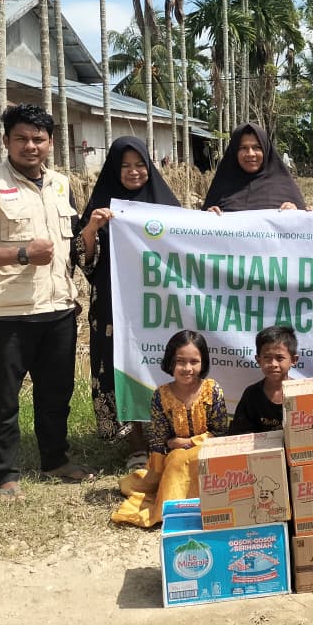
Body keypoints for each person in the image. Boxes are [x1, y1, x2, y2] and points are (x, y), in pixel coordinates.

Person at [0, 104, 94, 502]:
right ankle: (5, 475)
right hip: (6, 314)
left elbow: (73, 245)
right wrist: (21, 254)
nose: (30, 146)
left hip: (58, 308)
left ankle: (55, 459)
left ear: (50, 143)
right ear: (6, 141)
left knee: (56, 391)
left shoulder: (61, 184)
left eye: (38, 139)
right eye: (21, 138)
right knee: (3, 397)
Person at [77, 136, 181, 469]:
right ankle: (135, 441)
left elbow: (193, 244)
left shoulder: (167, 205)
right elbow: (84, 259)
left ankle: (170, 436)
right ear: (113, 169)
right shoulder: (102, 206)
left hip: (160, 305)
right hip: (113, 307)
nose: (134, 172)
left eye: (140, 165)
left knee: (163, 364)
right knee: (121, 364)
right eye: (125, 166)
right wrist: (93, 228)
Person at [111, 331, 228, 528]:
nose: (187, 368)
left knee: (181, 459)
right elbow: (159, 440)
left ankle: (178, 509)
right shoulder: (161, 395)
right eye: (181, 361)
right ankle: (172, 503)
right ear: (170, 362)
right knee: (142, 480)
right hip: (172, 456)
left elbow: (221, 432)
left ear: (203, 363)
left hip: (208, 453)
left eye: (194, 362)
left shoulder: (212, 389)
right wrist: (157, 471)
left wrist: (190, 442)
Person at [203, 123, 305, 214]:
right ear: (234, 152)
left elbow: (305, 227)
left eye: (257, 147)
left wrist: (296, 213)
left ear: (266, 149)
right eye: (243, 148)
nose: (250, 154)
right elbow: (201, 230)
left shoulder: (285, 188)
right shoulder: (221, 187)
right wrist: (209, 216)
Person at [229, 326, 298, 434]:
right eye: (267, 357)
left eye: (280, 358)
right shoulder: (251, 395)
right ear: (258, 360)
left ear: (293, 360)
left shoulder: (302, 393)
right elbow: (239, 432)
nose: (273, 364)